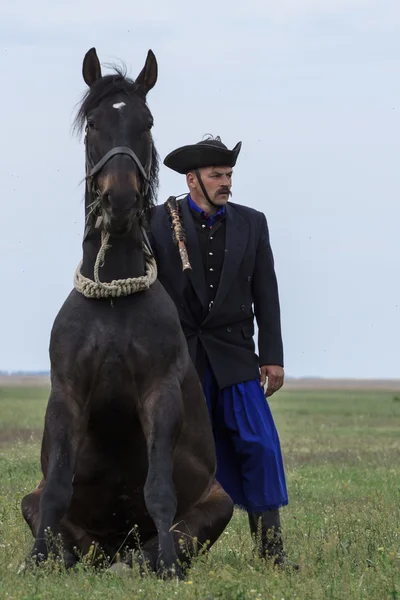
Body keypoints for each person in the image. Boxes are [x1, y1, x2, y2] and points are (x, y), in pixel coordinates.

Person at [148, 135, 298, 568]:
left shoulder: (254, 223)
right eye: (217, 175)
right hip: (179, 360)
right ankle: (169, 545)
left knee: (260, 446)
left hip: (235, 357)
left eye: (229, 175)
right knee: (176, 452)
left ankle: (272, 552)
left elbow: (266, 292)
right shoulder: (157, 222)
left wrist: (272, 354)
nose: (226, 182)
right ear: (192, 180)